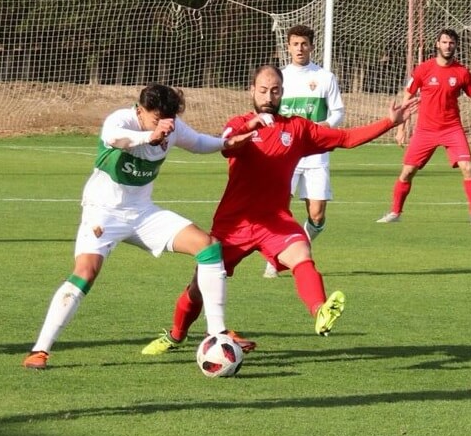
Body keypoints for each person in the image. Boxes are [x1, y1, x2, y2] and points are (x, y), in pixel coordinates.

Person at [141, 65, 418, 355]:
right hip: (235, 224)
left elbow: (346, 138)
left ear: (282, 92)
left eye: (274, 91)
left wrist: (389, 122)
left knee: (301, 255)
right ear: (252, 91)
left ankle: (320, 311)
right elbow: (227, 147)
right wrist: (250, 128)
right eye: (262, 90)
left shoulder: (298, 129)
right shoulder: (238, 123)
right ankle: (175, 335)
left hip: (275, 222)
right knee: (199, 287)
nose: (268, 96)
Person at [22, 83, 257, 370]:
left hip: (143, 214)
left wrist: (226, 144)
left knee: (208, 247)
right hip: (103, 213)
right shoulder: (121, 120)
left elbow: (196, 142)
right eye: (156, 118)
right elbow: (115, 138)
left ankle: (217, 334)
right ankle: (40, 350)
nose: (165, 127)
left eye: (168, 120)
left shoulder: (172, 127)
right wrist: (151, 134)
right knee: (85, 272)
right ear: (140, 110)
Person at [376, 28, 471, 227]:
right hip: (425, 130)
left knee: (468, 168)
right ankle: (395, 212)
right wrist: (400, 128)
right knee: (407, 172)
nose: (448, 46)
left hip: (452, 129)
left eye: (451, 43)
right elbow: (407, 96)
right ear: (437, 44)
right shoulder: (423, 69)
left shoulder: (462, 72)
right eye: (444, 42)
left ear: (456, 45)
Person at [263, 24, 345, 279]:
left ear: (311, 46)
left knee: (317, 216)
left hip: (316, 155)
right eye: (295, 44)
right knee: (278, 210)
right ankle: (276, 258)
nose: (300, 48)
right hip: (285, 155)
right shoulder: (280, 78)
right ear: (287, 47)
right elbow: (266, 110)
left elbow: (338, 111)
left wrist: (327, 126)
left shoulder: (324, 77)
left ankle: (296, 248)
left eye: (304, 44)